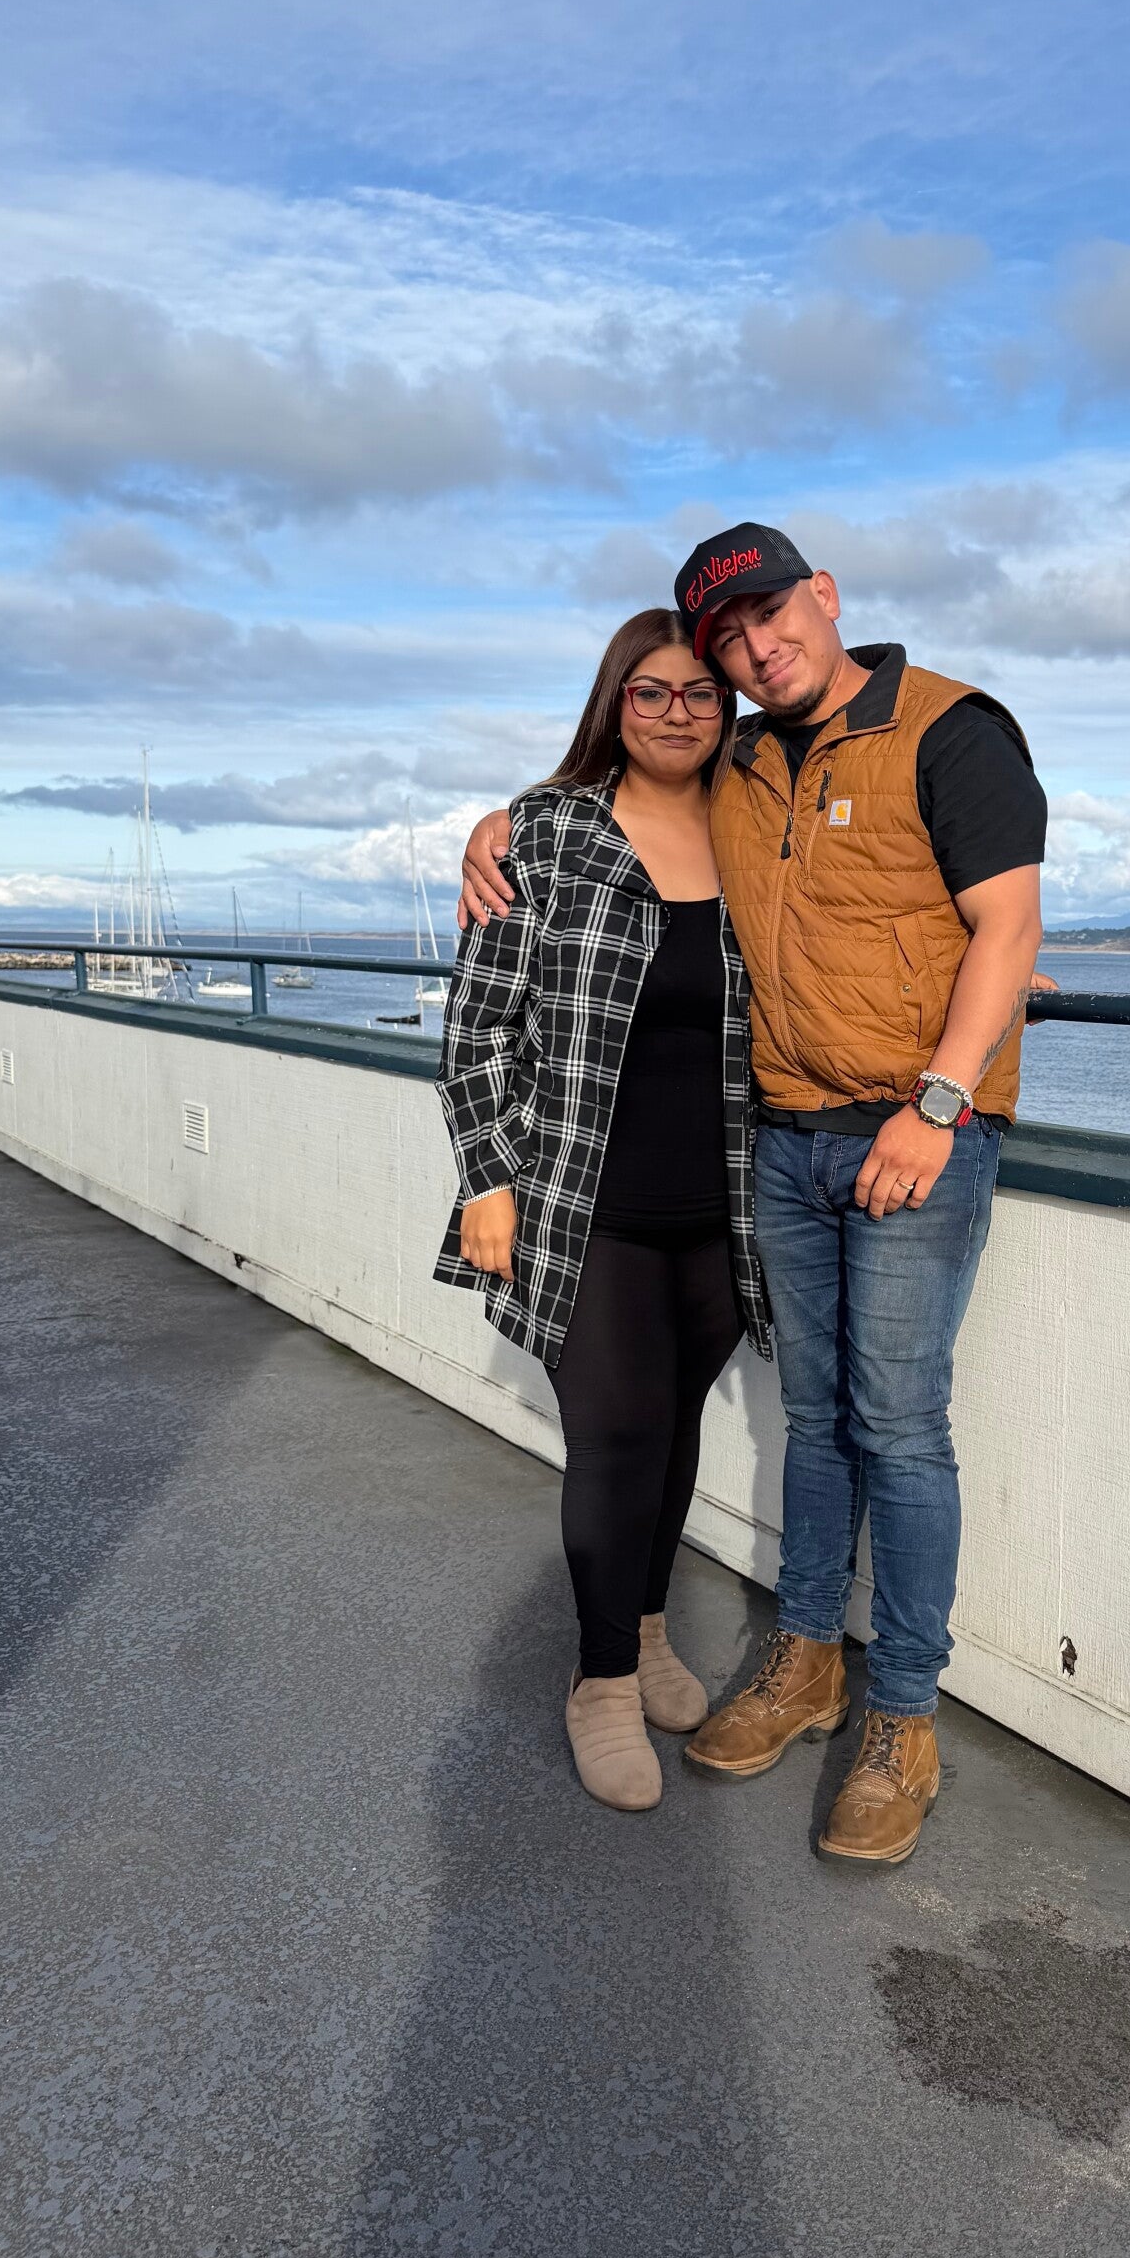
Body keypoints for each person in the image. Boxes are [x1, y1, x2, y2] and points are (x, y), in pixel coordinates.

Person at [460, 524, 1046, 1866]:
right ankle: (715, 1670)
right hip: (708, 1167)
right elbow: (494, 1003)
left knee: (887, 1427)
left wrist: (952, 1077)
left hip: (847, 1156)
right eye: (709, 651)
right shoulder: (683, 789)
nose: (736, 663)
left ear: (823, 598)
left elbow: (987, 918)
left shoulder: (923, 737)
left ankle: (896, 1715)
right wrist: (496, 825)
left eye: (760, 625)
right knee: (759, 1428)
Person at [434, 609, 773, 1813]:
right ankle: (601, 1680)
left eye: (700, 692)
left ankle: (646, 1628)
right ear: (613, 702)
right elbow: (475, 1026)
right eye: (652, 691)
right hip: (586, 1201)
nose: (679, 712)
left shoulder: (757, 831)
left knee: (674, 1431)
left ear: (728, 706)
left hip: (724, 1205)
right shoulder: (543, 833)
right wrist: (487, 1178)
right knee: (617, 1432)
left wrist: (999, 957)